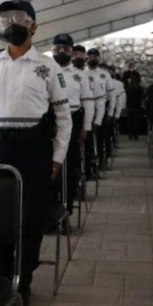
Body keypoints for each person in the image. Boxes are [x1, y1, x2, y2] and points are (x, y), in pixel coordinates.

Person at [0, 0, 71, 306]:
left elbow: (63, 117)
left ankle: (22, 282)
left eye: (19, 18)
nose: (12, 24)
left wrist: (57, 157)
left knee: (29, 216)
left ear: (34, 26)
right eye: (5, 18)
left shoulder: (47, 66)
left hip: (33, 146)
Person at [52, 34, 93, 214]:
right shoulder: (45, 69)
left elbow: (89, 102)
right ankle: (49, 205)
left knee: (69, 162)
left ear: (72, 52)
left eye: (66, 49)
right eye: (57, 48)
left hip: (73, 118)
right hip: (50, 119)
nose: (61, 52)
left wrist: (86, 127)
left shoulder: (79, 75)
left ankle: (67, 204)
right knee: (49, 162)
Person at [72, 44, 106, 178]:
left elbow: (98, 101)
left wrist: (96, 121)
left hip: (83, 115)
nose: (78, 57)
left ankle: (86, 171)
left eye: (81, 54)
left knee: (85, 147)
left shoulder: (95, 77)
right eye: (75, 54)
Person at [87, 49, 115, 168]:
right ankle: (88, 163)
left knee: (101, 137)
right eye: (90, 56)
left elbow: (112, 94)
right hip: (85, 109)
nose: (93, 59)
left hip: (101, 108)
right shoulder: (81, 72)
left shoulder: (104, 74)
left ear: (99, 58)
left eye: (95, 57)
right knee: (86, 139)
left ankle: (102, 161)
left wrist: (110, 112)